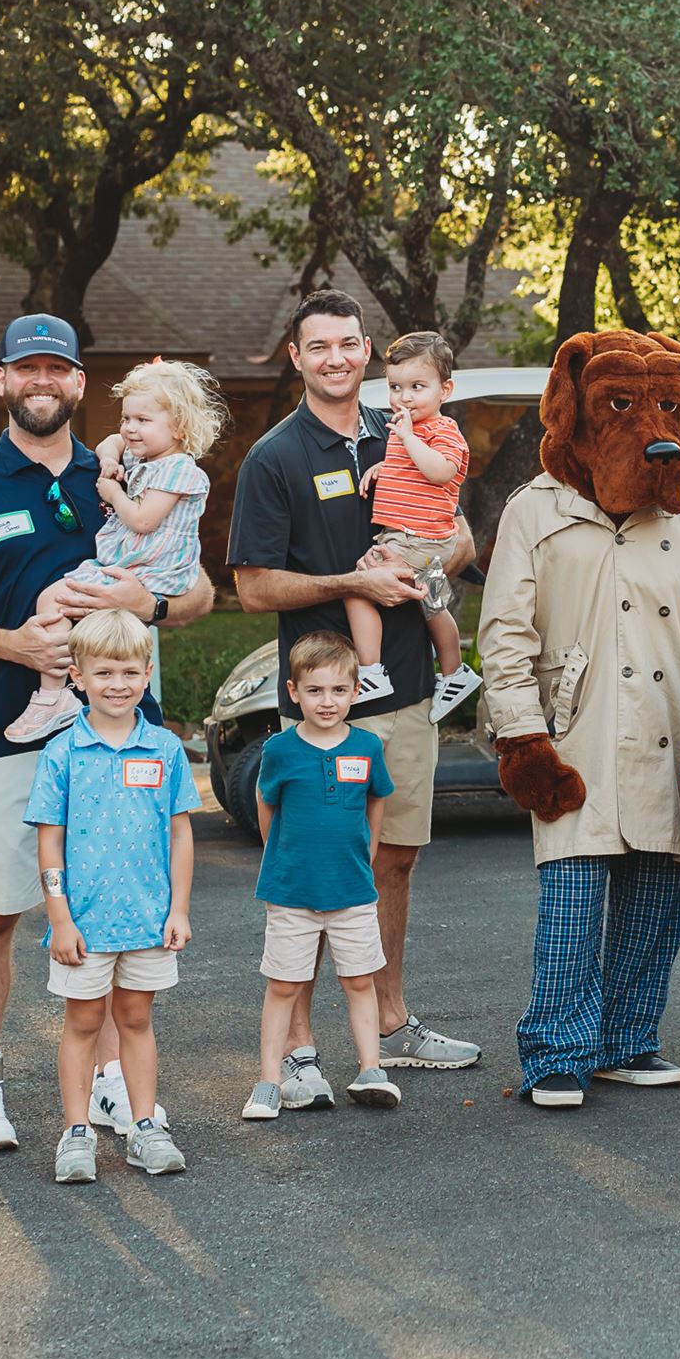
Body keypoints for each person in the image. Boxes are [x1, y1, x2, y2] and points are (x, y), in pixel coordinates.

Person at [0, 314, 216, 1155]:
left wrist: (141, 605)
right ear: (3, 380)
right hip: (9, 733)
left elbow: (199, 593)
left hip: (125, 735)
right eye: (25, 369)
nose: (42, 382)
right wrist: (13, 643)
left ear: (81, 383)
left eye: (58, 370)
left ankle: (115, 1085)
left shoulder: (131, 467)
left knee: (119, 908)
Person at [227, 290, 481, 1095]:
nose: (336, 358)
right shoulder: (275, 456)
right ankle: (300, 1049)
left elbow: (460, 532)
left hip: (406, 693)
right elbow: (255, 586)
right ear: (296, 358)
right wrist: (351, 579)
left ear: (367, 351)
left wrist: (435, 560)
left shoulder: (406, 425)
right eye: (318, 347)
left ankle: (395, 1027)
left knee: (393, 861)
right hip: (322, 706)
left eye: (347, 344)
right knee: (313, 870)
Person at [478, 329, 680, 1108]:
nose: (652, 428)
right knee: (574, 892)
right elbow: (505, 634)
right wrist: (522, 733)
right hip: (575, 729)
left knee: (658, 893)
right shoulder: (537, 509)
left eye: (668, 407)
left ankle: (629, 1038)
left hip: (671, 727)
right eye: (626, 406)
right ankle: (556, 1049)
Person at [29, 609, 198, 1182]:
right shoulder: (63, 753)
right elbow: (48, 844)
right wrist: (60, 916)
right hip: (85, 924)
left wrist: (178, 909)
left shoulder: (165, 750)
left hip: (149, 921)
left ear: (146, 673)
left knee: (136, 1019)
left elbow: (180, 834)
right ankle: (76, 1134)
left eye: (128, 672)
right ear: (78, 676)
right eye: (104, 673)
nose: (117, 685)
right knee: (81, 1024)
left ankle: (144, 1126)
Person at [4, 358, 224, 743]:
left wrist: (111, 492)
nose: (129, 429)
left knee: (52, 600)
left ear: (179, 426)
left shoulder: (178, 469)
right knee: (77, 618)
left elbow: (142, 521)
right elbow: (111, 442)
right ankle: (71, 692)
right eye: (127, 418)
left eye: (142, 420)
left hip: (149, 569)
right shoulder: (145, 455)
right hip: (131, 563)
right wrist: (109, 459)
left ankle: (54, 694)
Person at [242, 632, 404, 1120]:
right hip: (291, 891)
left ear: (356, 691)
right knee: (284, 985)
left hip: (353, 890)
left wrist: (370, 849)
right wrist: (282, 854)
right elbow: (265, 805)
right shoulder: (280, 750)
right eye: (315, 691)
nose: (327, 701)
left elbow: (377, 799)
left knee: (359, 981)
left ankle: (371, 1069)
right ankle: (269, 1080)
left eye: (338, 690)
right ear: (294, 692)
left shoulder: (368, 746)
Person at [348, 330, 481, 721]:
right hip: (417, 536)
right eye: (396, 387)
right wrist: (382, 469)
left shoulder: (442, 431)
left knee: (359, 588)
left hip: (420, 537)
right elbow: (409, 470)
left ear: (446, 389)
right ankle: (456, 673)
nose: (404, 398)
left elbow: (440, 472)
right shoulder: (410, 431)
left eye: (417, 387)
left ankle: (372, 672)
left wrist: (406, 438)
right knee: (433, 604)